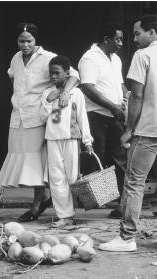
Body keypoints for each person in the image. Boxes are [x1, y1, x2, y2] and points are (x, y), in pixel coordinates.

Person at [0, 23, 79, 222]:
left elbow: (74, 75)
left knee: (36, 163)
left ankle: (37, 205)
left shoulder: (48, 57)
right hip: (18, 116)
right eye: (21, 41)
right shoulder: (16, 58)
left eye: (29, 41)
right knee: (25, 161)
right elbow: (13, 77)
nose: (25, 45)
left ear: (36, 40)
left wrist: (64, 91)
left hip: (38, 115)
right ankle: (45, 198)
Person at [99, 14, 157, 252]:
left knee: (134, 183)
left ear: (152, 33)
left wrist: (129, 130)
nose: (134, 39)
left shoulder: (143, 56)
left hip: (147, 130)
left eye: (137, 33)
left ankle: (126, 238)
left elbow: (137, 96)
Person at [78, 22, 130, 218]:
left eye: (121, 39)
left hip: (115, 116)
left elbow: (120, 84)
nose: (121, 43)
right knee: (96, 158)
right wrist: (113, 106)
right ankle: (93, 200)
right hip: (97, 116)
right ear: (106, 39)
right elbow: (88, 88)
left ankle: (123, 205)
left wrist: (129, 98)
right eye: (117, 39)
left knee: (121, 159)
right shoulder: (89, 58)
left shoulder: (115, 59)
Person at [40, 55, 93, 227]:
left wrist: (87, 141)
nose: (53, 77)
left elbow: (82, 118)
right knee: (56, 178)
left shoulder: (76, 93)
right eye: (51, 74)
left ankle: (75, 207)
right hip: (52, 140)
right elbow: (41, 117)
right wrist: (49, 101)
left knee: (72, 176)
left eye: (57, 73)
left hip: (71, 139)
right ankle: (65, 216)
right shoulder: (47, 93)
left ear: (67, 73)